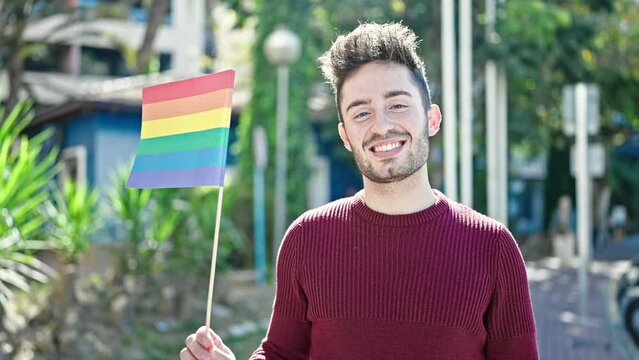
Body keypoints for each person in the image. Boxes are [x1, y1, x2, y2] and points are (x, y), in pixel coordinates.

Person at [180, 22, 538, 360]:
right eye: (361, 113)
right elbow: (282, 352)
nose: (381, 125)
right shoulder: (307, 239)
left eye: (397, 105)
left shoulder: (493, 248)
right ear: (345, 135)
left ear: (432, 119)